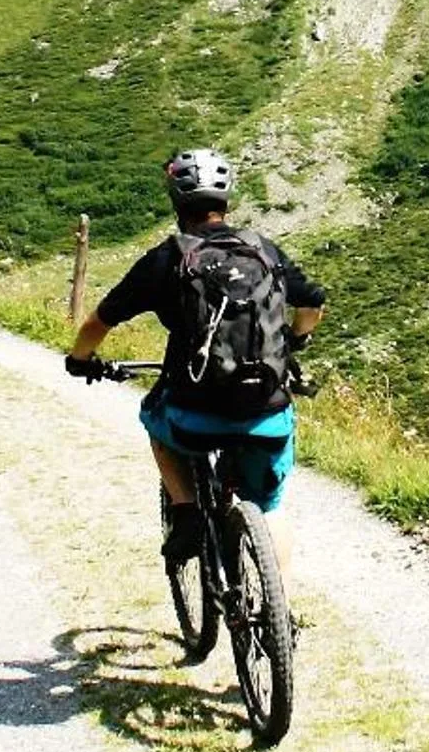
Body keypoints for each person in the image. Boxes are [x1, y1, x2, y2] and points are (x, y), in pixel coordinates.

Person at [64, 147, 326, 561]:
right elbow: (312, 301)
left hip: (193, 416)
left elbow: (100, 322)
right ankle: (278, 600)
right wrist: (295, 340)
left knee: (153, 417)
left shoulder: (167, 258)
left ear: (176, 200)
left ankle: (186, 510)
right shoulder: (263, 250)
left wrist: (79, 360)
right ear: (226, 199)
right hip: (267, 413)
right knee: (270, 510)